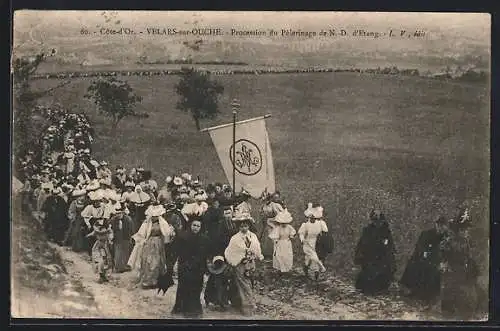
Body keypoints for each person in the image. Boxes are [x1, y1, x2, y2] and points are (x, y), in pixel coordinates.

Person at [440, 207, 481, 319]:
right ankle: (448, 310)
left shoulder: (466, 241)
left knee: (467, 288)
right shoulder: (450, 240)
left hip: (463, 267)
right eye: (463, 230)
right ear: (458, 231)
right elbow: (443, 251)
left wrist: (468, 263)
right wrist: (445, 262)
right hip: (452, 267)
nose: (465, 233)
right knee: (451, 288)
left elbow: (468, 254)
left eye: (467, 230)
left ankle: (466, 308)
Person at [400, 216, 449, 306]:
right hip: (422, 258)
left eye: (444, 228)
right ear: (436, 225)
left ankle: (429, 294)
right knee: (420, 267)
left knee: (435, 270)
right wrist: (427, 255)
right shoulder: (427, 234)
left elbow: (446, 251)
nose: (441, 229)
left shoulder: (445, 237)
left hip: (436, 260)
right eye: (440, 226)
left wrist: (443, 260)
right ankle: (417, 291)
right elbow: (421, 248)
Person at [224, 211, 264, 316]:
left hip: (250, 264)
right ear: (238, 227)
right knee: (244, 285)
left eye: (246, 226)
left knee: (250, 283)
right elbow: (229, 251)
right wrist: (235, 261)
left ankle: (239, 303)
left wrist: (258, 255)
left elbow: (257, 247)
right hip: (240, 264)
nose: (244, 228)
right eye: (241, 226)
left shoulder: (253, 236)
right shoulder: (235, 238)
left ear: (249, 226)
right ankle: (248, 307)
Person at [128, 204, 175, 289]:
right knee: (148, 261)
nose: (154, 218)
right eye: (153, 216)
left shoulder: (162, 222)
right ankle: (147, 281)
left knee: (157, 262)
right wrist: (138, 240)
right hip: (149, 243)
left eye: (156, 216)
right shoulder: (147, 223)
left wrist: (170, 233)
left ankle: (155, 281)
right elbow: (141, 233)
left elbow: (167, 232)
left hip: (158, 244)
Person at [170, 219, 210, 318]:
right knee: (184, 287)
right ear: (190, 225)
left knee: (196, 288)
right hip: (185, 266)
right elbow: (176, 251)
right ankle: (182, 308)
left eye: (198, 226)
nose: (195, 228)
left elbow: (205, 254)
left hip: (198, 267)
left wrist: (205, 268)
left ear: (201, 228)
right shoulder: (183, 236)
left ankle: (194, 309)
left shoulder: (204, 238)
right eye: (194, 225)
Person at [354, 209, 396, 295]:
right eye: (375, 221)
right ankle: (368, 287)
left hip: (382, 256)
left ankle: (381, 287)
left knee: (382, 269)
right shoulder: (368, 230)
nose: (377, 223)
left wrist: (386, 250)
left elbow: (389, 245)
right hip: (370, 256)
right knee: (369, 271)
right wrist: (360, 254)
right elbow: (362, 243)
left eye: (379, 221)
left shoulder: (385, 231)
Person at [297, 203, 328, 280]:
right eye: (311, 217)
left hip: (317, 243)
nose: (312, 219)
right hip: (307, 243)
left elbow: (325, 231)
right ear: (309, 217)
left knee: (311, 258)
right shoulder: (305, 225)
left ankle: (314, 271)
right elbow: (301, 233)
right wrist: (302, 239)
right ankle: (319, 267)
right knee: (313, 257)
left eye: (314, 217)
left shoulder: (320, 223)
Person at [268, 209, 296, 275]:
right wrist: (276, 241)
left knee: (287, 256)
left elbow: (293, 233)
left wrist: (291, 236)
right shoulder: (278, 228)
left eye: (285, 223)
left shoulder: (289, 227)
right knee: (279, 255)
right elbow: (275, 236)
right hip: (280, 243)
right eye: (282, 223)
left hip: (287, 243)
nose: (284, 224)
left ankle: (287, 268)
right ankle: (281, 268)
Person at [86, 218, 113, 283]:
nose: (100, 228)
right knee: (100, 260)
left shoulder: (108, 231)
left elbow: (111, 236)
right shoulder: (97, 230)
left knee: (106, 260)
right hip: (98, 246)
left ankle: (104, 276)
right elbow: (93, 233)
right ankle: (101, 276)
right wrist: (88, 235)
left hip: (105, 245)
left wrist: (110, 240)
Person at [109, 204, 135, 273]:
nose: (118, 215)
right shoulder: (113, 220)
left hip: (126, 238)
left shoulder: (128, 219)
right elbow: (110, 229)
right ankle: (118, 267)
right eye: (117, 213)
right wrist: (111, 238)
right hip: (117, 238)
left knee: (125, 252)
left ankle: (124, 266)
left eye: (120, 213)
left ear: (123, 212)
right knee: (118, 252)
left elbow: (132, 230)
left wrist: (131, 238)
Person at [260, 192, 285, 259]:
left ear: (271, 199)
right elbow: (262, 213)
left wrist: (272, 220)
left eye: (268, 199)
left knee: (273, 237)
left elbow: (279, 214)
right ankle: (267, 253)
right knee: (266, 237)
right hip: (266, 223)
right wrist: (264, 217)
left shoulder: (274, 205)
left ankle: (275, 253)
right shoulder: (264, 205)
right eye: (266, 199)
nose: (267, 201)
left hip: (273, 223)